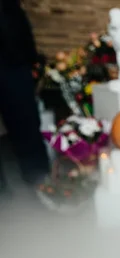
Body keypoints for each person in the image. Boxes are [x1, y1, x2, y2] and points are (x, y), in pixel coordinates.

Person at [0, 0, 49, 186]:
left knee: (26, 122)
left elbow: (14, 15)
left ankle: (41, 180)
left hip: (12, 60)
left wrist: (30, 57)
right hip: (13, 60)